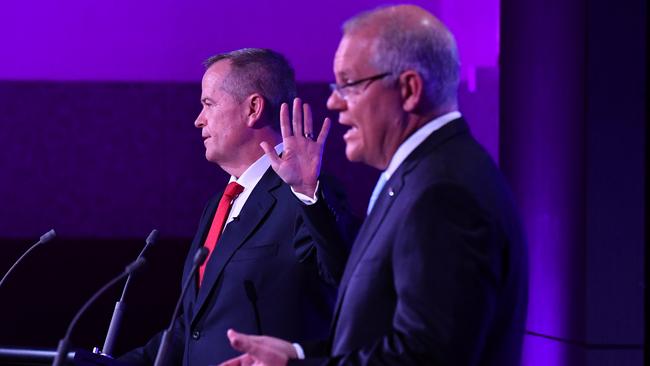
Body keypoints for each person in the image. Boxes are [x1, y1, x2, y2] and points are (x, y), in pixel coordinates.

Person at [220, 5, 528, 366]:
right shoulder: (421, 176)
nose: (333, 101)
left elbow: (424, 357)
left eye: (349, 84)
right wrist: (297, 355)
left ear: (410, 89)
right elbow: (380, 336)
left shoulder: (443, 193)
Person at [120, 48, 354, 365]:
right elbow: (192, 329)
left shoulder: (306, 194)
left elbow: (346, 277)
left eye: (208, 104)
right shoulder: (219, 203)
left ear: (253, 109)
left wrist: (307, 191)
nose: (198, 119)